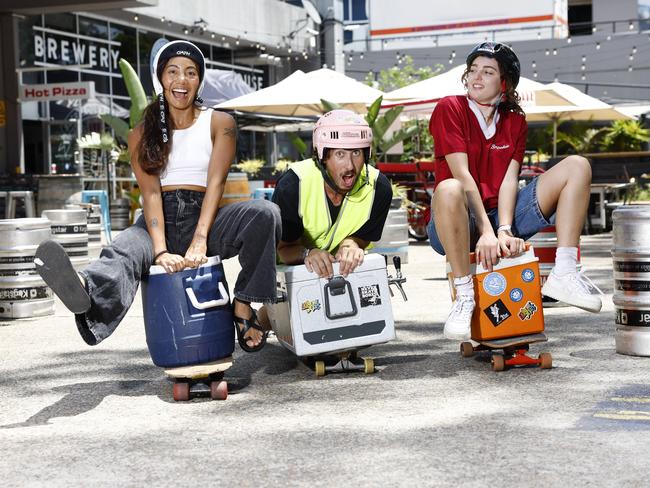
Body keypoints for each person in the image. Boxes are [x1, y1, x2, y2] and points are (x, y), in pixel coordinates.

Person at [35, 40, 280, 353]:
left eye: (191, 72)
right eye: (173, 71)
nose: (181, 80)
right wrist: (161, 251)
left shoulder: (221, 123)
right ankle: (86, 287)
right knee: (124, 248)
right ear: (161, 78)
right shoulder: (140, 133)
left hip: (207, 216)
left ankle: (244, 304)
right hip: (157, 221)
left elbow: (216, 183)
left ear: (199, 80)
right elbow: (150, 193)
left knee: (264, 213)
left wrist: (200, 239)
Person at [427, 41, 602, 341]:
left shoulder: (515, 120)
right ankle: (465, 294)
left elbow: (510, 180)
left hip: (500, 216)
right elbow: (462, 175)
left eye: (488, 72)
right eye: (472, 71)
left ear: (505, 83)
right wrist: (485, 231)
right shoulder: (450, 107)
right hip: (458, 219)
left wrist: (504, 229)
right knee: (448, 188)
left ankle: (564, 272)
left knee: (577, 165)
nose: (476, 77)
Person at [271, 109, 392, 277]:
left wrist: (351, 243)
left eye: (356, 153)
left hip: (343, 273)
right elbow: (283, 249)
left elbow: (365, 236)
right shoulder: (293, 185)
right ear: (323, 156)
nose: (350, 166)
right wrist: (308, 254)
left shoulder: (379, 187)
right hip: (291, 275)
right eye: (340, 154)